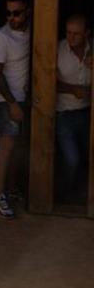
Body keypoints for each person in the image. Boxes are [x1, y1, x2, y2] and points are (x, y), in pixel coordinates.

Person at [0, 0, 32, 219]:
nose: (12, 18)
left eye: (17, 13)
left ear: (28, 12)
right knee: (5, 147)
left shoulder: (30, 32)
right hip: (7, 101)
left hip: (24, 99)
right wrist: (12, 103)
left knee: (18, 148)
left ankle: (12, 189)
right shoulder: (1, 37)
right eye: (8, 13)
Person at [55, 14, 91, 202]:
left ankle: (81, 194)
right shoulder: (58, 49)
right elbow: (45, 81)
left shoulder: (92, 50)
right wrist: (72, 89)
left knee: (86, 157)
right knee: (71, 159)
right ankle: (64, 196)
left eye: (77, 33)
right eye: (68, 32)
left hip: (88, 115)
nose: (71, 37)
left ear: (86, 33)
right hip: (65, 114)